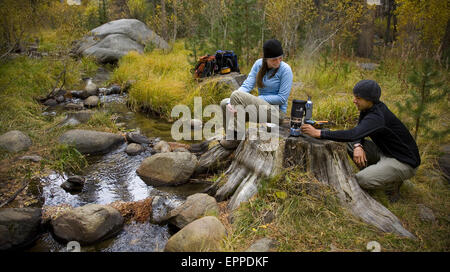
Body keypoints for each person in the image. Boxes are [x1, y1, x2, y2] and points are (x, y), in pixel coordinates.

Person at [300, 79, 421, 202]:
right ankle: (380, 173)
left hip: (404, 162)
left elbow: (353, 133)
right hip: (386, 152)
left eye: (358, 98)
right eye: (354, 96)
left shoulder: (377, 117)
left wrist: (318, 133)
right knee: (352, 144)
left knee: (361, 180)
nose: (354, 100)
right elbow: (358, 131)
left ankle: (391, 184)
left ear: (369, 99)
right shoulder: (369, 109)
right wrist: (358, 145)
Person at [219, 39, 293, 149]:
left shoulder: (285, 70)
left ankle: (237, 139)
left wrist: (258, 99)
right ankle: (232, 136)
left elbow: (282, 98)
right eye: (274, 60)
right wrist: (231, 102)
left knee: (236, 95)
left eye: (280, 58)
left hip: (276, 113)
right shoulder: (258, 64)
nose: (278, 62)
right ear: (266, 58)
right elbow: (247, 85)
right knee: (225, 103)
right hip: (259, 109)